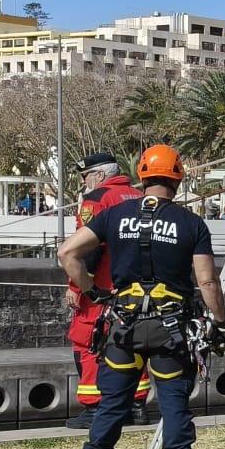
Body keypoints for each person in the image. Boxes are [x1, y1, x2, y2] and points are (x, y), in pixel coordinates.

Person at [59, 144, 225, 449]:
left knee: (110, 408)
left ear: (142, 175)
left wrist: (94, 292)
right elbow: (208, 283)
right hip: (170, 333)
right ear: (178, 178)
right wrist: (220, 322)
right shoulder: (190, 224)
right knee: (174, 409)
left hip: (123, 328)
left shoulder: (115, 214)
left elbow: (67, 253)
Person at [64, 152, 147, 430]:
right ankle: (137, 404)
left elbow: (86, 249)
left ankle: (93, 405)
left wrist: (77, 287)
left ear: (99, 175)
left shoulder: (97, 199)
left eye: (85, 176)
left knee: (86, 340)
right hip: (137, 286)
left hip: (103, 286)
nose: (84, 182)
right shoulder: (138, 196)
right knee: (136, 339)